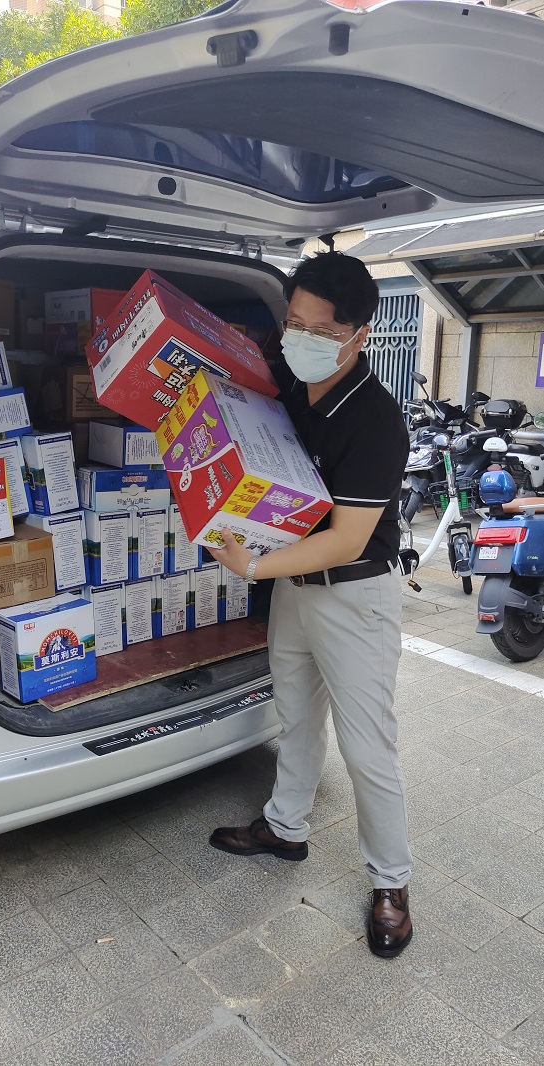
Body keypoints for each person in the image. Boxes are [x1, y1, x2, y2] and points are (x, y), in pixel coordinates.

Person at [206, 251, 413, 959]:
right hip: (295, 589)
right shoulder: (291, 387)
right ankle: (285, 827)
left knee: (367, 748)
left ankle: (391, 883)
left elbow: (347, 538)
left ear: (358, 334)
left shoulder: (376, 420)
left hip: (354, 595)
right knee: (295, 716)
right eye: (293, 323)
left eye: (319, 331)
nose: (300, 339)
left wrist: (253, 565)